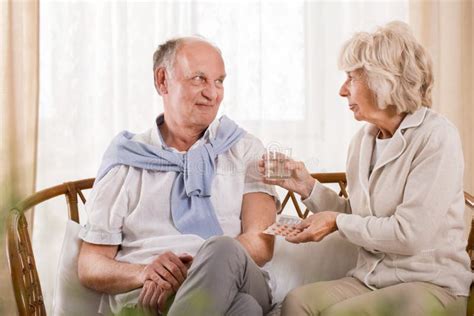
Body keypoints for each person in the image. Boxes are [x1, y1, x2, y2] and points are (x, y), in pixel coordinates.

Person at [261, 21, 472, 315]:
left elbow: (409, 234)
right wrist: (307, 187)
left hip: (431, 283)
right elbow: (359, 218)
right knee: (297, 302)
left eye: (351, 78)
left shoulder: (436, 137)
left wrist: (335, 222)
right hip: (372, 279)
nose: (342, 90)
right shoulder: (363, 140)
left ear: (383, 80)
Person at [77, 36, 279, 316]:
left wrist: (198, 270)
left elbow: (260, 243)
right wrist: (145, 274)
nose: (213, 93)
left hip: (239, 279)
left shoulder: (244, 149)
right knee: (244, 310)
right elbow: (90, 265)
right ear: (162, 81)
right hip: (150, 300)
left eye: (219, 81)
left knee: (222, 249)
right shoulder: (127, 158)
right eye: (199, 79)